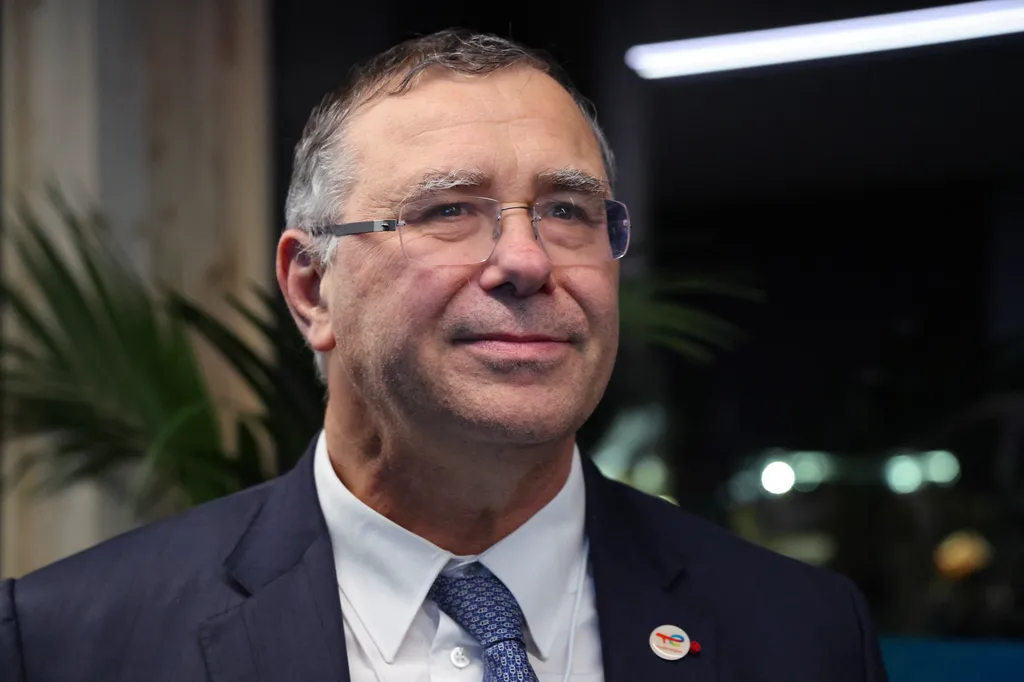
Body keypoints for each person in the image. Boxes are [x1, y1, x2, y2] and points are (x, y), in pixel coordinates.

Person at [0, 29, 888, 682]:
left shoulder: (802, 635)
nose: (527, 260)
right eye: (449, 210)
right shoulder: (66, 645)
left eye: (567, 211)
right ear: (312, 289)